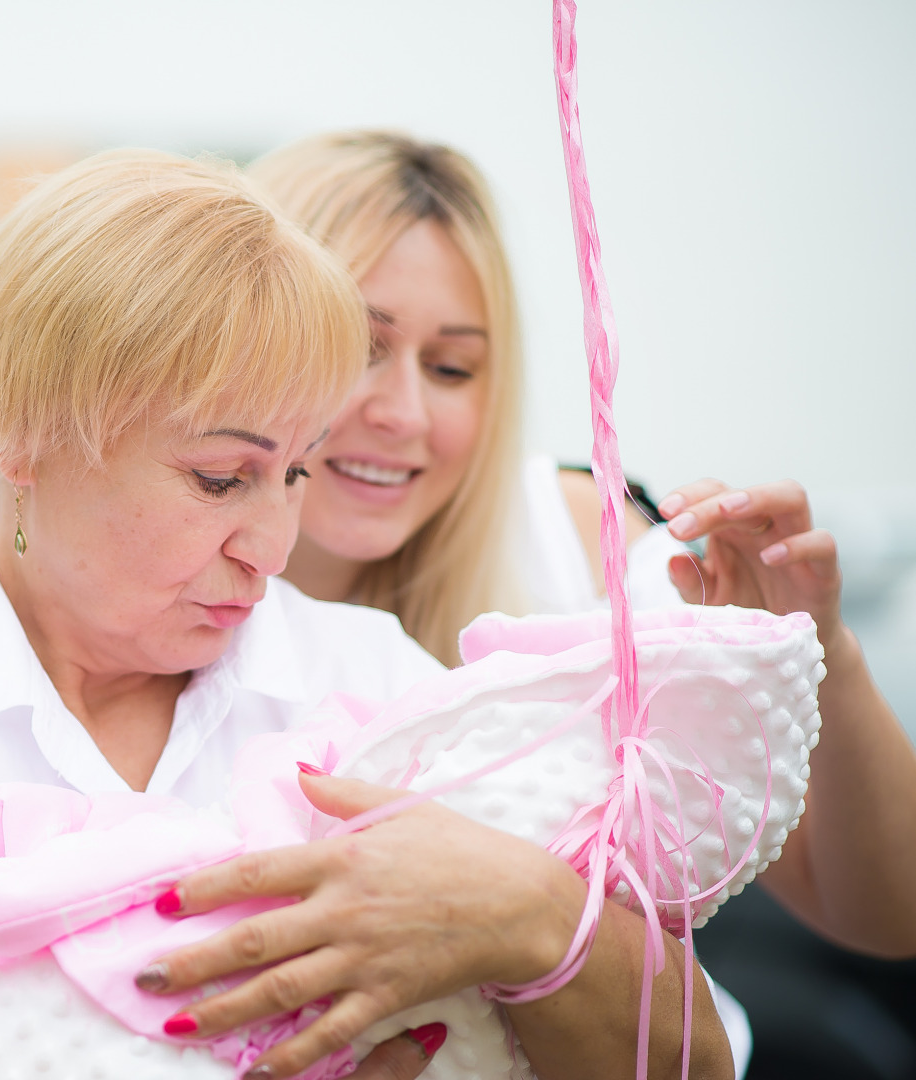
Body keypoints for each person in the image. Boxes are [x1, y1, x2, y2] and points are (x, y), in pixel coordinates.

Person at [0, 149, 734, 1080]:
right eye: (219, 479)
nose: (274, 543)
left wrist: (532, 916)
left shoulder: (374, 675)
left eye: (298, 472)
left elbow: (693, 1061)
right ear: (23, 431)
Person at [244, 129, 916, 960]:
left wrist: (824, 652)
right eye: (360, 348)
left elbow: (888, 916)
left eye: (452, 368)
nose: (405, 414)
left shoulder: (576, 535)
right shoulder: (138, 585)